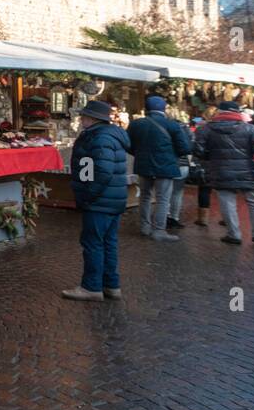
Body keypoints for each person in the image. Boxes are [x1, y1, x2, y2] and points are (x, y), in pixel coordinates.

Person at [63, 100, 131, 302]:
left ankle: (91, 286)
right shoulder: (108, 135)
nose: (81, 119)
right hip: (111, 199)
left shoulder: (99, 137)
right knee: (108, 243)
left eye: (84, 116)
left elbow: (102, 171)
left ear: (92, 118)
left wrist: (87, 195)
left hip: (100, 201)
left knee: (93, 243)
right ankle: (111, 285)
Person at [194, 100, 254, 246]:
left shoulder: (206, 129)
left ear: (219, 112)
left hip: (220, 171)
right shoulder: (249, 129)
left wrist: (213, 157)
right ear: (237, 112)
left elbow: (198, 151)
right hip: (247, 171)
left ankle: (233, 234)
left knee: (227, 202)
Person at [127, 95, 188, 242]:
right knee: (162, 199)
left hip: (143, 165)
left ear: (146, 108)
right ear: (164, 108)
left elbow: (128, 145)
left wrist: (139, 154)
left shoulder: (136, 124)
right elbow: (184, 148)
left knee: (145, 196)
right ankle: (159, 230)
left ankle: (145, 227)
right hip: (165, 166)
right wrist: (171, 155)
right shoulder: (172, 125)